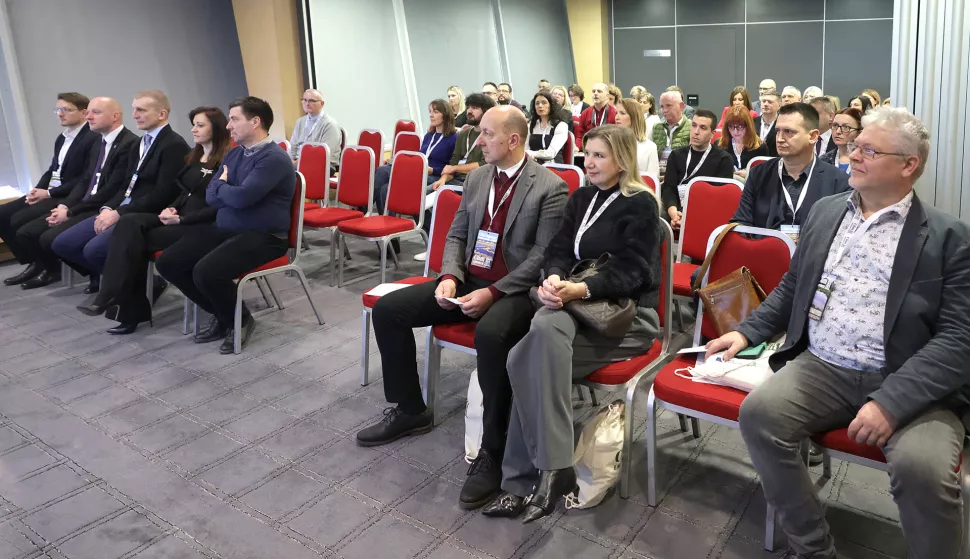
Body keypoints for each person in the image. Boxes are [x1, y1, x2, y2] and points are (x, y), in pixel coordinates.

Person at [707, 106, 970, 559]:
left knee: (923, 469)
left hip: (906, 377)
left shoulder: (949, 238)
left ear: (909, 165)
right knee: (760, 416)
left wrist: (891, 402)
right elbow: (794, 285)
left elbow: (959, 339)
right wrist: (748, 332)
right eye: (855, 146)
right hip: (824, 366)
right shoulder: (827, 212)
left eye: (870, 150)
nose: (853, 155)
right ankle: (813, 549)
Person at [355, 106, 568, 512]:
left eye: (487, 133)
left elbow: (542, 256)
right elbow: (456, 235)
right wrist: (450, 275)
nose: (478, 141)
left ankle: (492, 451)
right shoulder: (477, 178)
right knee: (389, 310)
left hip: (514, 291)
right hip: (468, 280)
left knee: (491, 334)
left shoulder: (550, 187)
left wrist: (494, 293)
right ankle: (410, 409)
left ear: (513, 140)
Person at [483, 124, 662, 521]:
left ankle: (522, 481)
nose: (589, 162)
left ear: (622, 161)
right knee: (537, 349)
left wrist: (578, 290)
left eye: (599, 155)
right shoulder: (582, 197)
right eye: (587, 153)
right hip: (575, 311)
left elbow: (635, 273)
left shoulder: (640, 204)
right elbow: (559, 249)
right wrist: (552, 277)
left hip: (625, 317)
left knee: (525, 357)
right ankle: (551, 470)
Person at [155, 96, 295, 354]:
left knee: (206, 271)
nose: (228, 126)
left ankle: (239, 320)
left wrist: (222, 186)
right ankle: (223, 313)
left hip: (264, 236)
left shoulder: (273, 158)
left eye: (234, 119)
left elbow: (241, 198)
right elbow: (211, 196)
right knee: (168, 263)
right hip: (227, 228)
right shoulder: (235, 153)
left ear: (255, 122)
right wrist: (224, 187)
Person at [76, 107, 231, 334]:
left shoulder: (226, 161)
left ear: (215, 128)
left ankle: (123, 306)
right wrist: (172, 207)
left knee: (132, 245)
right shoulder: (194, 156)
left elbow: (218, 205)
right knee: (129, 225)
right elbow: (183, 193)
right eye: (194, 125)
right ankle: (114, 298)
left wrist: (181, 217)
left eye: (200, 125)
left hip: (198, 224)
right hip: (178, 217)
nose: (193, 129)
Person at [51, 90, 190, 295]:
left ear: (161, 114)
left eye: (141, 110)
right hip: (124, 207)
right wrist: (108, 208)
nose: (134, 115)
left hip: (146, 213)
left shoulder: (173, 145)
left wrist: (118, 213)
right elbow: (126, 186)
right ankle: (133, 285)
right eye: (134, 109)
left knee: (94, 251)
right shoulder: (140, 143)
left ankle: (130, 292)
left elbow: (162, 195)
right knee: (64, 243)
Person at [10, 98, 138, 290]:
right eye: (89, 112)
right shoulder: (99, 142)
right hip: (86, 202)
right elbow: (85, 181)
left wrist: (70, 211)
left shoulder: (130, 144)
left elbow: (112, 189)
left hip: (104, 206)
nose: (89, 117)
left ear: (115, 116)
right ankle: (97, 274)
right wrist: (64, 206)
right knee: (37, 232)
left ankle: (109, 278)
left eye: (95, 112)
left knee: (51, 239)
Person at [1, 92, 97, 287]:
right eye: (58, 110)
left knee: (20, 221)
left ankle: (51, 268)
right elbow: (53, 169)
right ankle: (35, 261)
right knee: (2, 214)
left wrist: (49, 193)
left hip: (69, 195)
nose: (60, 114)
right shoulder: (62, 138)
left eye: (66, 110)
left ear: (83, 112)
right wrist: (37, 189)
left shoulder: (92, 137)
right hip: (52, 190)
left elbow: (84, 179)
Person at [732, 102, 850, 237]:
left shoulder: (838, 183)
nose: (780, 139)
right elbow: (741, 223)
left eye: (788, 132)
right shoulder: (758, 174)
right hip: (763, 248)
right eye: (778, 131)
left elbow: (841, 236)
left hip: (811, 250)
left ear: (813, 136)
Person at [374, 99, 457, 214]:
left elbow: (452, 167)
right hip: (418, 170)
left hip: (433, 175)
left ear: (445, 115)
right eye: (430, 111)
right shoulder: (429, 135)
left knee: (386, 189)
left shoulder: (454, 138)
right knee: (382, 171)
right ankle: (370, 211)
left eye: (435, 112)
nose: (431, 115)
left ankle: (382, 217)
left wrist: (433, 170)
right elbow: (421, 155)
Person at [661, 109, 733, 229]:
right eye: (694, 125)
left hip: (706, 212)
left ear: (712, 134)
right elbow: (669, 189)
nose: (696, 132)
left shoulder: (723, 159)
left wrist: (689, 216)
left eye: (703, 128)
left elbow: (720, 198)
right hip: (677, 208)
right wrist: (674, 214)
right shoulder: (676, 155)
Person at [431, 93, 496, 190]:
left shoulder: (491, 135)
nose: (469, 111)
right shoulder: (463, 134)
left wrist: (455, 168)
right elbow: (453, 162)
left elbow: (484, 165)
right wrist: (442, 180)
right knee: (425, 193)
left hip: (476, 183)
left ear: (486, 111)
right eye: (468, 107)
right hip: (455, 180)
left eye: (474, 108)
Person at [288, 89, 340, 171]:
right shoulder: (300, 122)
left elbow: (324, 154)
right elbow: (293, 147)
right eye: (305, 100)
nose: (307, 103)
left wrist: (297, 163)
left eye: (312, 101)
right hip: (298, 164)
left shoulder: (330, 124)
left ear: (322, 104)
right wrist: (289, 162)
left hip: (322, 166)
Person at [718, 105, 768, 180]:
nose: (735, 132)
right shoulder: (720, 145)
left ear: (748, 126)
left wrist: (749, 173)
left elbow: (765, 173)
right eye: (731, 127)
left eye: (740, 127)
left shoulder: (760, 147)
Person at [652, 90, 691, 179]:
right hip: (658, 176)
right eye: (662, 106)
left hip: (680, 177)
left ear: (681, 106)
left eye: (669, 106)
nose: (664, 110)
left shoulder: (691, 127)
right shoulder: (656, 127)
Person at [615, 98, 659, 177]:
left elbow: (653, 179)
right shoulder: (610, 143)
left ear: (634, 116)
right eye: (616, 113)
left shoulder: (650, 147)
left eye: (622, 113)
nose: (616, 117)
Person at [525, 90, 569, 164]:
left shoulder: (561, 125)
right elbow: (526, 148)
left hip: (554, 165)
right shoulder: (531, 125)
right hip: (533, 163)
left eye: (544, 103)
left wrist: (531, 154)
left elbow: (551, 153)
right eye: (537, 103)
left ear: (551, 105)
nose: (540, 106)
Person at [820, 107, 864, 175]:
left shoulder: (867, 161)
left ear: (859, 133)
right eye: (835, 125)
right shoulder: (824, 161)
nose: (838, 131)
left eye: (846, 127)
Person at [575, 82, 616, 148]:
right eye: (593, 91)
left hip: (608, 149)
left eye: (599, 91)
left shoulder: (614, 113)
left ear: (607, 96)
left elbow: (617, 138)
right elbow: (580, 136)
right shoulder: (585, 113)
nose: (595, 93)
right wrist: (577, 148)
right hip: (589, 149)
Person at [754, 89, 781, 157]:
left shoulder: (783, 124)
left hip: (775, 161)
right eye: (763, 101)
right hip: (754, 161)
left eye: (770, 102)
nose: (766, 104)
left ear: (779, 105)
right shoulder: (752, 123)